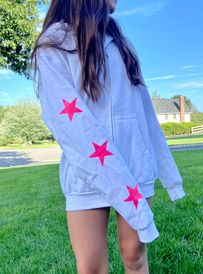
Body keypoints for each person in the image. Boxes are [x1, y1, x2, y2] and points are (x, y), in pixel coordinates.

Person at [28, 0, 186, 273]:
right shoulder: (53, 44)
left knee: (134, 253)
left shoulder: (122, 43)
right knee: (90, 267)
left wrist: (169, 174)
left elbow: (144, 110)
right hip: (87, 172)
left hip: (135, 165)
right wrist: (112, 174)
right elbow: (70, 124)